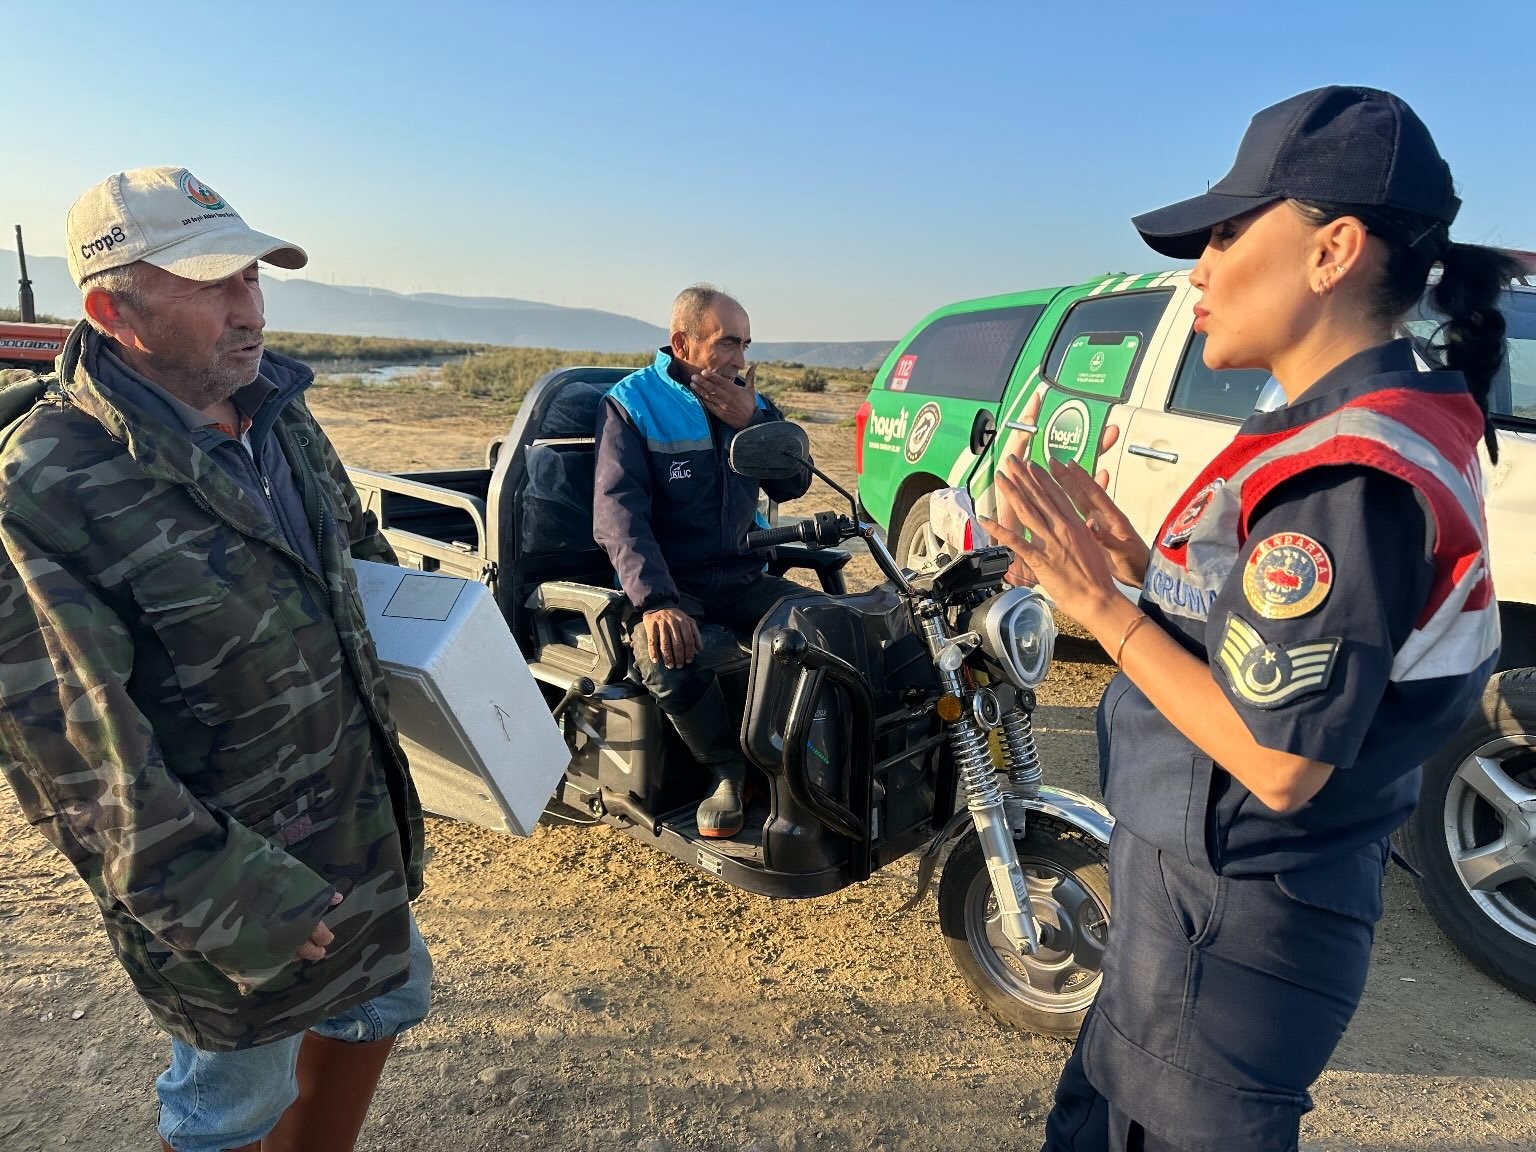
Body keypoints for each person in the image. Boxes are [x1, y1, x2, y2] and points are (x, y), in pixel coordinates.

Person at [981, 87, 1516, 1151]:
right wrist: (1144, 572)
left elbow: (1280, 761)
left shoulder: (1350, 470)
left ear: (1334, 251)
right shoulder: (1340, 421)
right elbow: (1279, 639)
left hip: (1234, 927)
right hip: (1196, 903)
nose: (1201, 270)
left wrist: (1102, 612)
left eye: (1229, 233)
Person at [0, 167, 431, 1152]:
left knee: (386, 1000)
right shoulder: (49, 484)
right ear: (114, 309)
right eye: (214, 282)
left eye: (252, 274)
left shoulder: (277, 411)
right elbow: (72, 746)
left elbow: (351, 555)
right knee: (229, 1102)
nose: (251, 307)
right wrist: (219, 893)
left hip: (355, 829)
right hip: (234, 879)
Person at [593, 285, 812, 837]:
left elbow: (795, 481)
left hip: (741, 576)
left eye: (745, 344)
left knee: (831, 626)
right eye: (727, 343)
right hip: (673, 583)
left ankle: (806, 762)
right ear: (682, 342)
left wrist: (755, 419)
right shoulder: (633, 404)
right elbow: (618, 515)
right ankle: (727, 773)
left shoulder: (748, 401)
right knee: (665, 652)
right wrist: (657, 602)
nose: (740, 359)